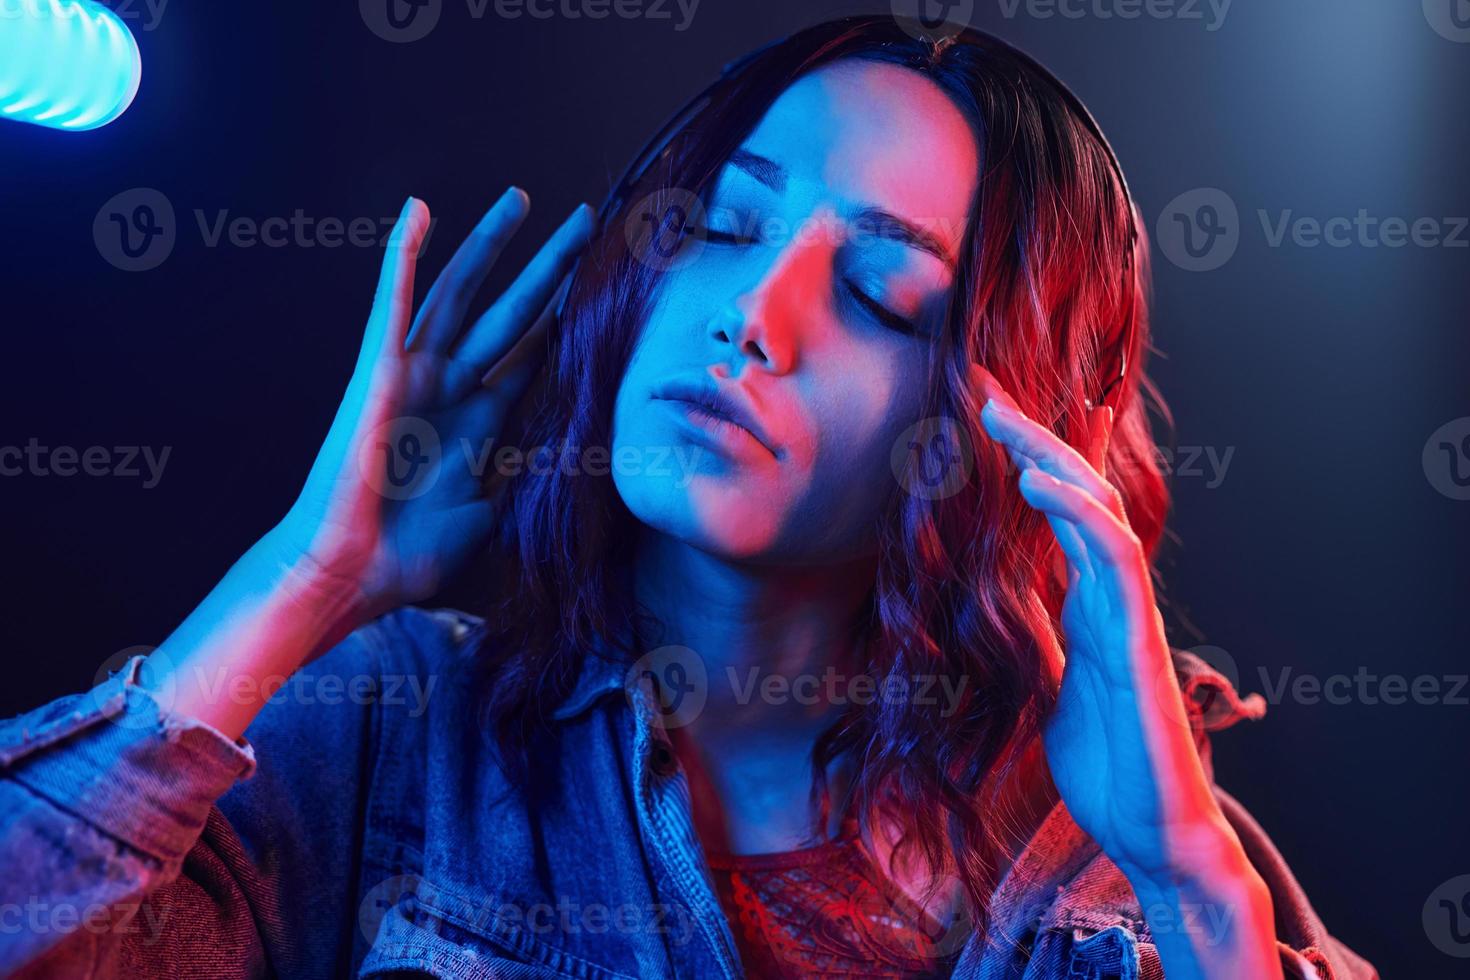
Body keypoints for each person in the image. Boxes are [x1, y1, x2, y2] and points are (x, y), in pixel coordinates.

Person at [0, 15, 1375, 979]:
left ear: (996, 420)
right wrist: (303, 586)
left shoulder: (1136, 854)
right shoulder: (392, 741)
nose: (753, 316)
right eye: (722, 225)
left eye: (878, 294)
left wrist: (1187, 877)